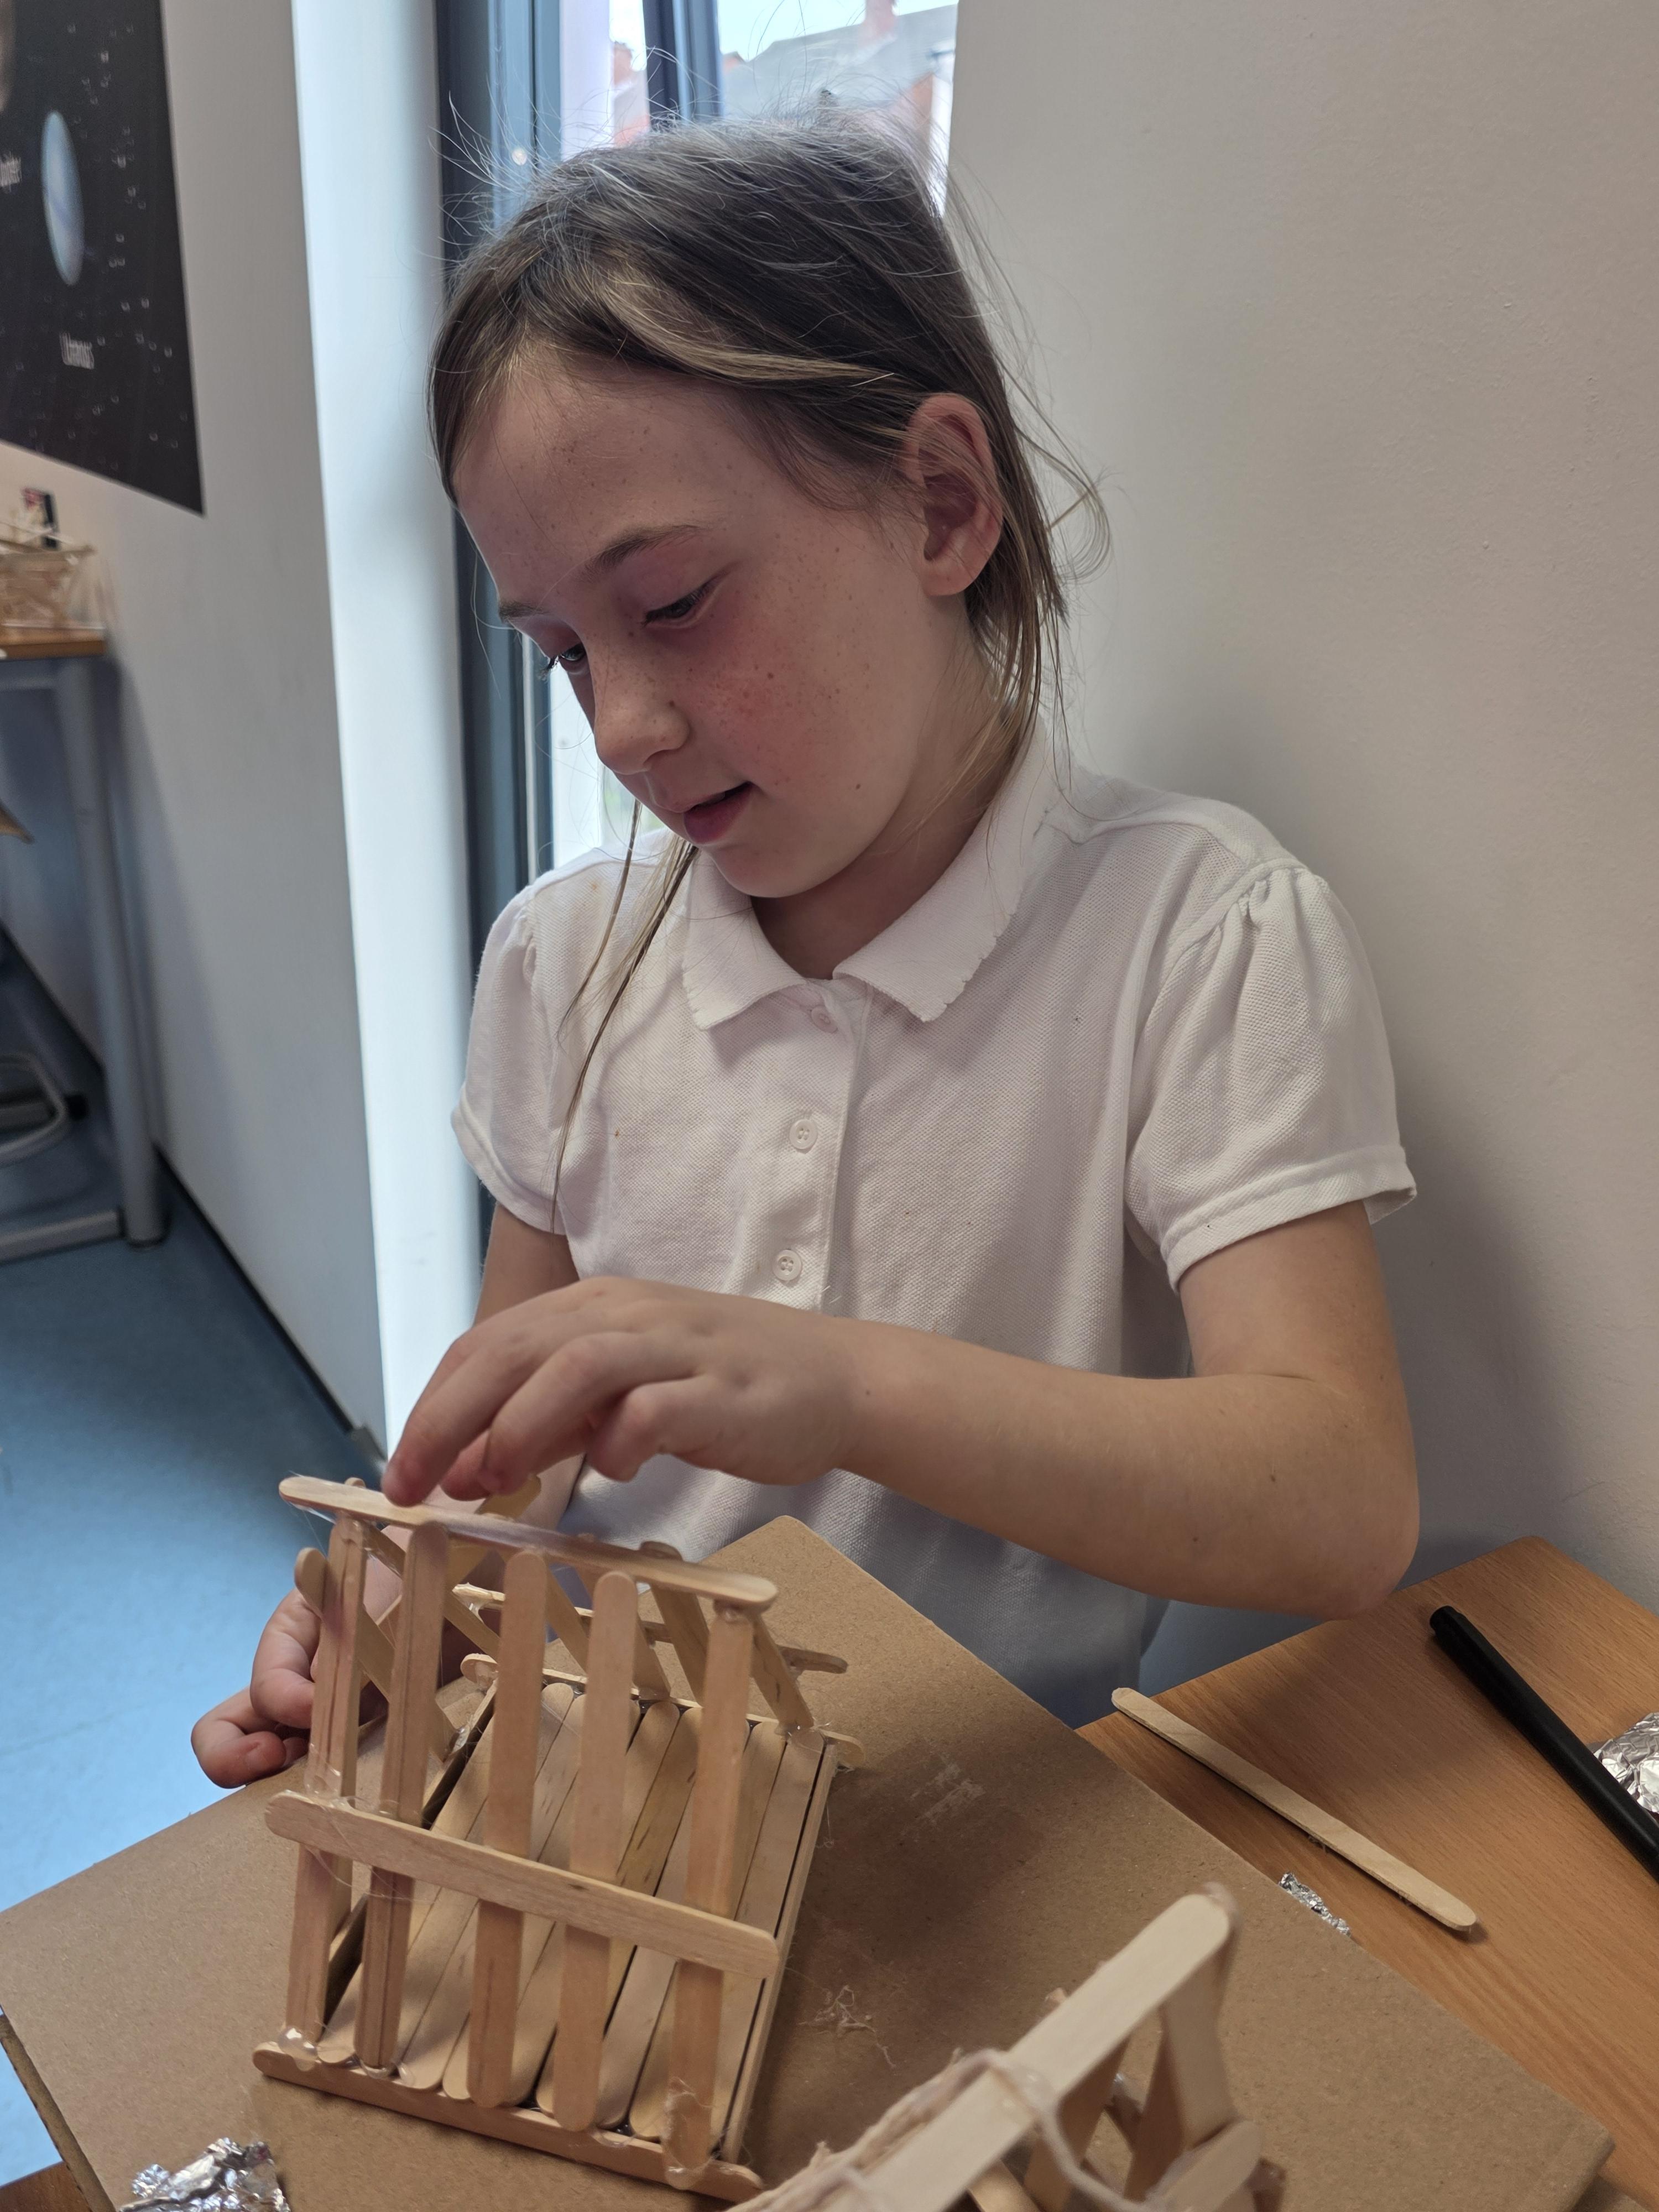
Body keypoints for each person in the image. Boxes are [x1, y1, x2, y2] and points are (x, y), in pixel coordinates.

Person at [192, 118, 1416, 1787]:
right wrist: (410, 1591)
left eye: (674, 603)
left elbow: (1341, 1497)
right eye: (562, 652)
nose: (621, 726)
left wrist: (844, 1386)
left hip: (998, 1822)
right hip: (607, 1782)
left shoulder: (1200, 936)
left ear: (939, 504)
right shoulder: (563, 958)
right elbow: (516, 1446)